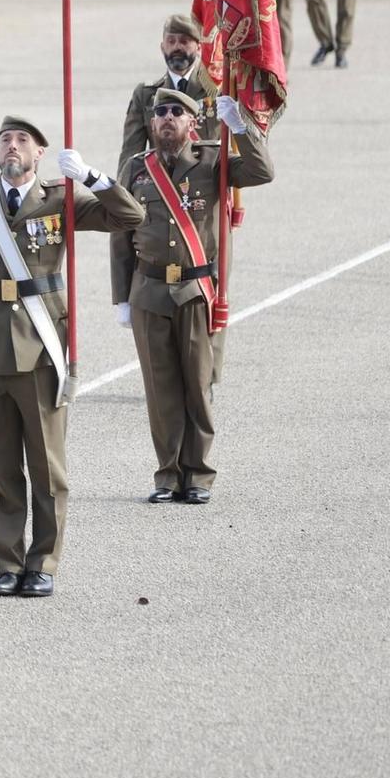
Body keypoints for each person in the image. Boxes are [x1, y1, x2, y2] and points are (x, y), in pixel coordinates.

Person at [0, 117, 143, 598]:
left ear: (39, 154)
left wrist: (93, 177)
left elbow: (130, 217)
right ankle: (8, 563)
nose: (12, 148)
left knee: (46, 468)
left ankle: (43, 563)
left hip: (41, 349)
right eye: (5, 141)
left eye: (23, 142)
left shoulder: (61, 198)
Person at [112, 89, 274, 504]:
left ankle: (198, 473)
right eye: (161, 112)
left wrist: (241, 128)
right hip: (148, 290)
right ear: (152, 124)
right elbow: (121, 234)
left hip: (194, 290)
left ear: (192, 122)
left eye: (177, 112)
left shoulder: (213, 160)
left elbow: (262, 172)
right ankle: (167, 474)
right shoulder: (136, 168)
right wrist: (121, 296)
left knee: (197, 386)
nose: (167, 118)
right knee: (159, 388)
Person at [116, 13, 222, 170]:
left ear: (199, 47)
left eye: (184, 41)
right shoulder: (145, 95)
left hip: (206, 186)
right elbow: (130, 154)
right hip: (165, 187)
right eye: (171, 41)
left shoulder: (217, 90)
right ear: (162, 47)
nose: (177, 47)